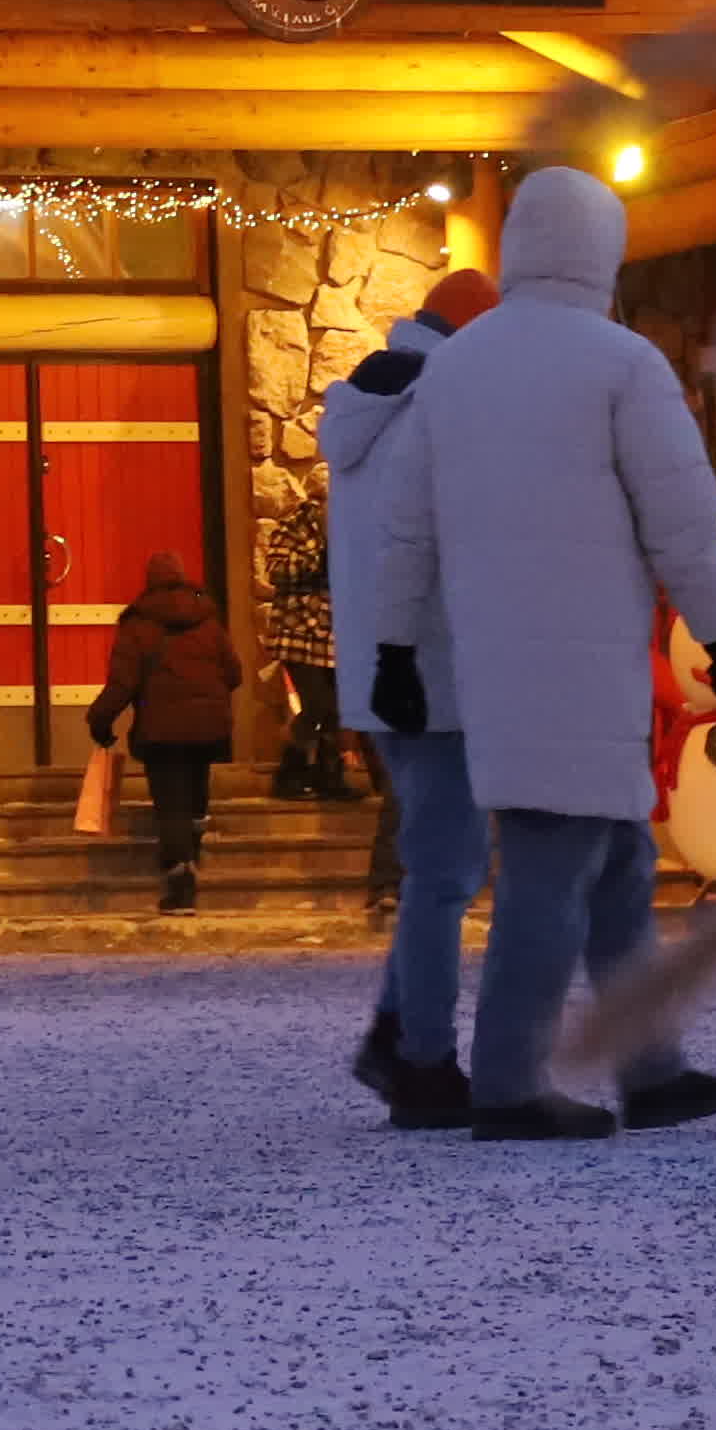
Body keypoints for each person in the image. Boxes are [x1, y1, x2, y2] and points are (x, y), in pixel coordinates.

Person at [363, 163, 716, 1142]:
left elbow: (403, 531)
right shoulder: (623, 363)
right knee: (551, 869)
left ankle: (650, 1066)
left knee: (617, 865)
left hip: (495, 669)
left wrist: (395, 647)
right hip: (590, 673)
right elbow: (681, 516)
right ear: (601, 248)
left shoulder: (456, 369)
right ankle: (508, 1082)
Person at [320, 264, 495, 1128]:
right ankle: (422, 1059)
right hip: (443, 671)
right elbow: (456, 548)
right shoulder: (443, 410)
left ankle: (398, 1036)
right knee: (445, 875)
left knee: (436, 867)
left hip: (386, 674)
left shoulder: (369, 405)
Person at [83, 556, 238, 914]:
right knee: (195, 788)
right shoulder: (208, 619)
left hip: (161, 731)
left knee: (171, 803)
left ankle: (181, 883)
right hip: (208, 727)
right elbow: (235, 673)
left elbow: (123, 683)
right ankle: (193, 845)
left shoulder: (138, 625)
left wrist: (100, 722)